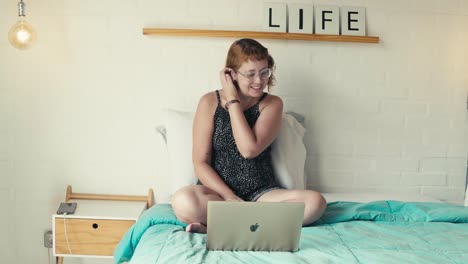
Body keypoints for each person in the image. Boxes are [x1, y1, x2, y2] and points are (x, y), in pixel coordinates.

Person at [171, 38, 327, 233]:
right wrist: (228, 196)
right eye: (250, 74)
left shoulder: (272, 104)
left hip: (260, 195)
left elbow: (248, 150)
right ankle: (255, 226)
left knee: (315, 202)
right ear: (232, 74)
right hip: (218, 195)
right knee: (183, 201)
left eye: (264, 72)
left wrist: (232, 103)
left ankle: (222, 227)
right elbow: (200, 162)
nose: (259, 81)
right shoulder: (209, 102)